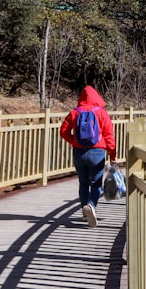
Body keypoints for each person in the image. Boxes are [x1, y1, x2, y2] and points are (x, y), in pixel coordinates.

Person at [59, 86, 116, 228]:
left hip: (79, 152)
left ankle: (85, 213)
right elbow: (109, 136)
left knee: (83, 183)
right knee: (96, 184)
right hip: (97, 152)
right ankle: (91, 205)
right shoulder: (101, 113)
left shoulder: (74, 113)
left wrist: (74, 141)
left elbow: (63, 131)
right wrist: (112, 155)